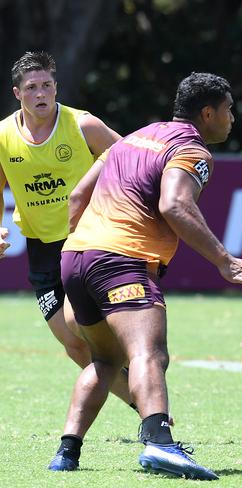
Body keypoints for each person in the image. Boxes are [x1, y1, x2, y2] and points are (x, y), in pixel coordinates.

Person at [47, 72, 242, 479]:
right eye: (228, 110)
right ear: (208, 113)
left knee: (104, 359)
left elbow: (78, 197)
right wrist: (224, 260)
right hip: (122, 260)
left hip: (77, 256)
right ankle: (160, 444)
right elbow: (174, 205)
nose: (232, 119)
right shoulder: (191, 150)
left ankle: (67, 451)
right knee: (149, 354)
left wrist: (82, 254)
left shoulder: (133, 137)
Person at [0, 51, 133, 406]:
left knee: (78, 324)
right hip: (41, 248)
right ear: (17, 93)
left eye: (47, 85)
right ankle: (141, 399)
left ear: (56, 88)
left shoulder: (82, 125)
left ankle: (147, 397)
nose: (41, 93)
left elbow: (132, 160)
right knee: (73, 345)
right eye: (32, 88)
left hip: (88, 238)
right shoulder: (3, 137)